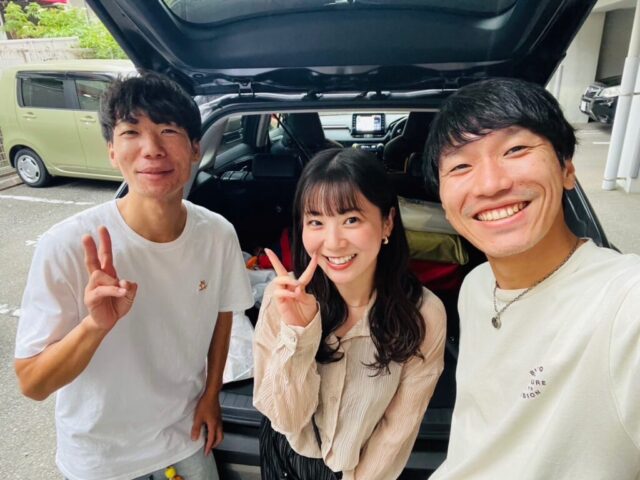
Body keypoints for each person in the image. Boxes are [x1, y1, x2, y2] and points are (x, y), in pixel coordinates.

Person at [14, 72, 253, 480]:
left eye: (168, 130)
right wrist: (94, 326)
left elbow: (223, 313)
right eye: (131, 132)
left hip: (185, 438)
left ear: (196, 148)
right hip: (102, 461)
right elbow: (33, 383)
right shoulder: (68, 246)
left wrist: (211, 394)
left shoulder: (217, 234)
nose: (152, 149)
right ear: (111, 150)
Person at [423, 77, 640, 479]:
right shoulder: (476, 286)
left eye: (515, 150)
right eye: (461, 166)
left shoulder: (625, 304)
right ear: (444, 204)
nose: (491, 184)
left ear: (567, 169)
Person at [253, 148, 446, 480]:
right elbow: (286, 419)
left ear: (387, 222)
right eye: (316, 221)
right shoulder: (282, 297)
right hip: (286, 452)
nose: (333, 242)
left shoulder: (424, 314)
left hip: (359, 469)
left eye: (351, 220)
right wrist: (298, 333)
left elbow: (397, 430)